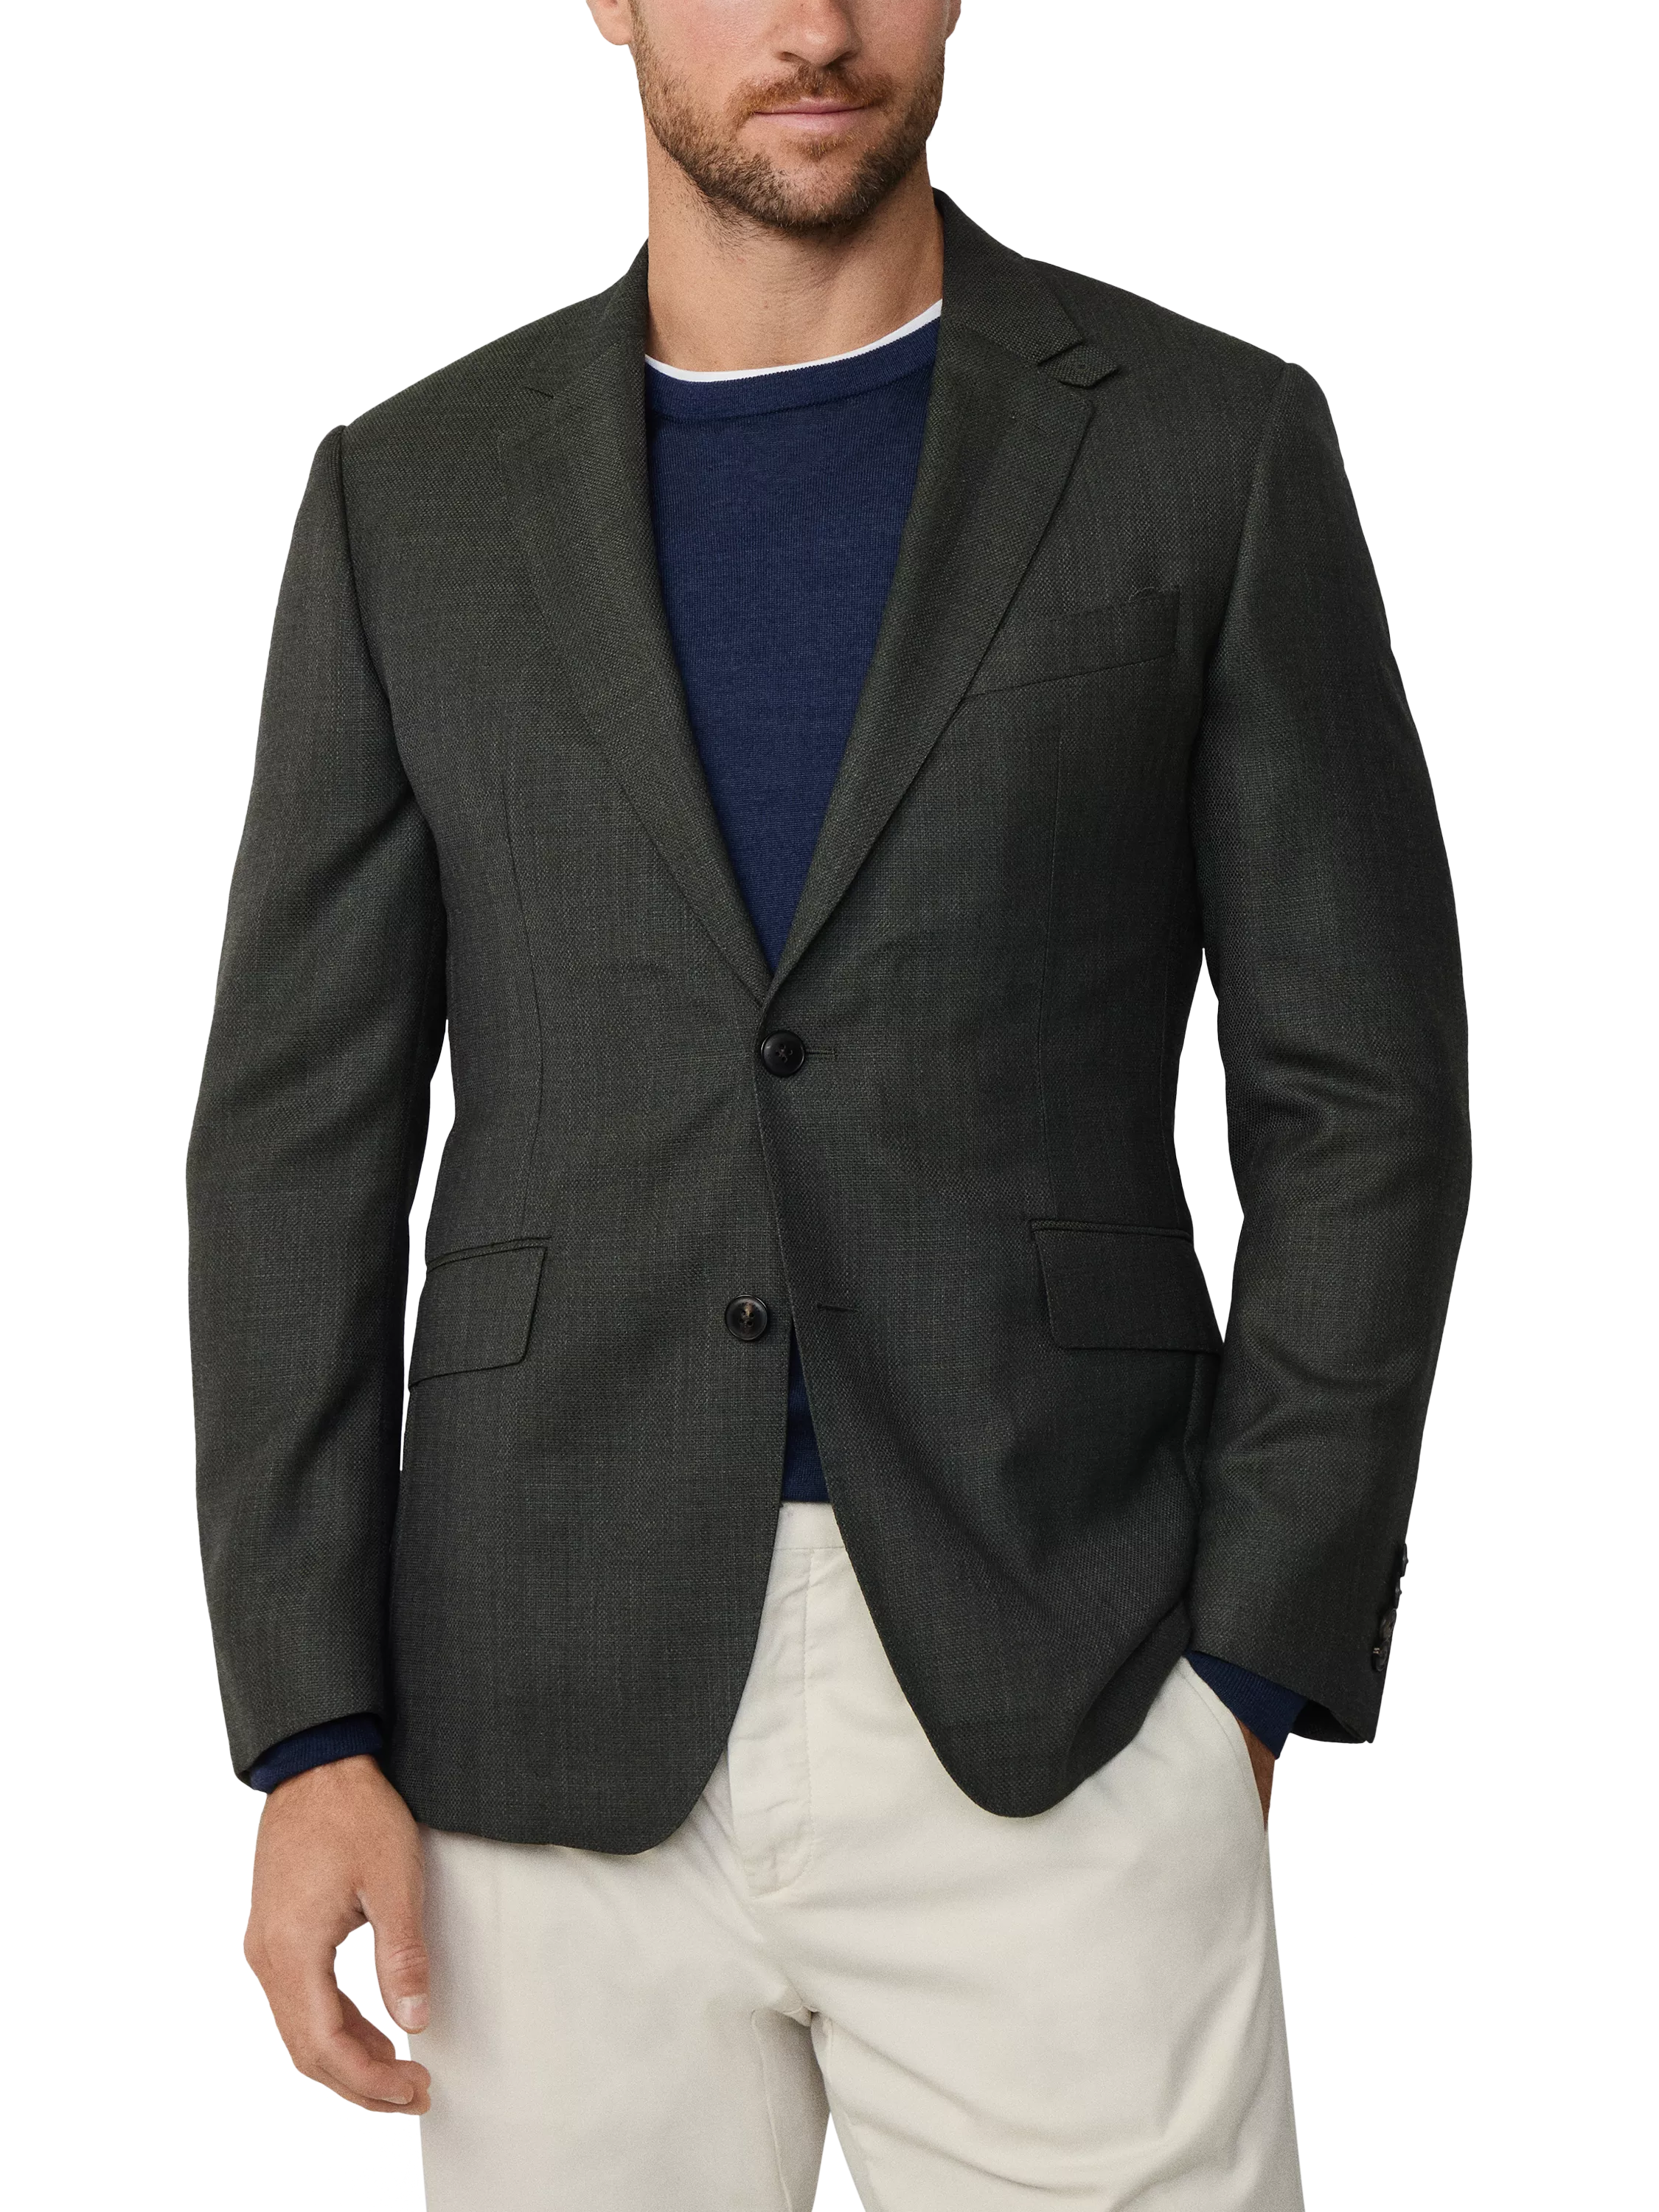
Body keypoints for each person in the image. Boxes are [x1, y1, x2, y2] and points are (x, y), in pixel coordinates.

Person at [187, 2, 1470, 2205]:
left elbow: (1363, 1085)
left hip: (1067, 1665)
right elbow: (297, 1146)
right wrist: (311, 1728)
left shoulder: (1206, 448)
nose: (812, 26)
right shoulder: (413, 497)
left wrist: (1253, 1663)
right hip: (540, 1691)